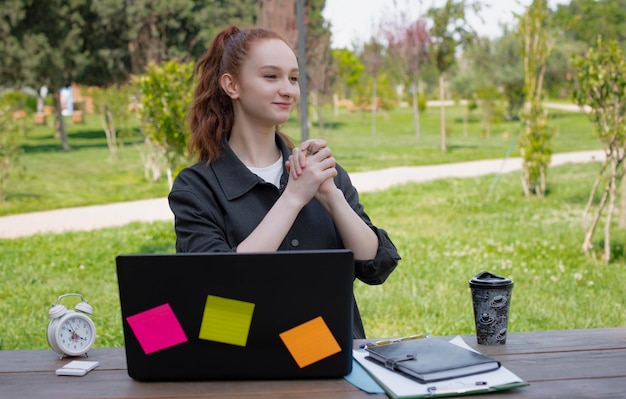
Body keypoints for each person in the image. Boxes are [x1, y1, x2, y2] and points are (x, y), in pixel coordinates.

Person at [168, 25, 401, 339]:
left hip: (329, 350)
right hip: (239, 353)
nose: (288, 89)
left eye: (293, 78)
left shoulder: (318, 170)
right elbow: (219, 284)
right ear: (231, 85)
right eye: (270, 76)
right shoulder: (196, 187)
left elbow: (375, 265)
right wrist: (293, 198)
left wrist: (331, 196)